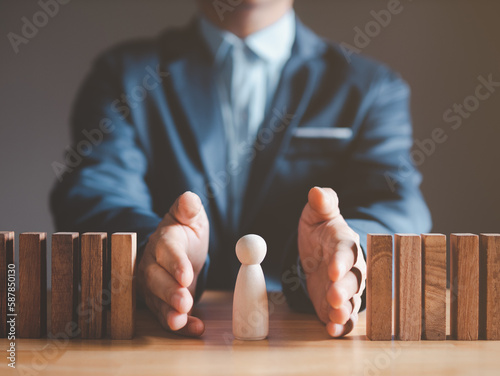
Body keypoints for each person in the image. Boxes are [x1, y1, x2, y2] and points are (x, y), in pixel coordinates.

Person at [50, 0, 431, 338]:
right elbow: (93, 192)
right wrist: (155, 249)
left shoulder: (370, 87)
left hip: (309, 343)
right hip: (161, 342)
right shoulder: (123, 75)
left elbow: (397, 206)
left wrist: (347, 253)